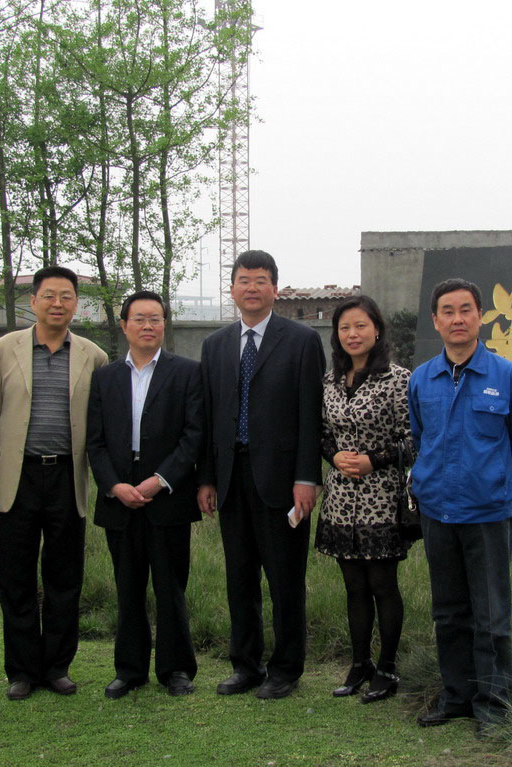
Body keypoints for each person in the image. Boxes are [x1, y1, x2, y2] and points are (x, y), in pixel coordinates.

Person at [409, 278, 512, 734]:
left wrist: (499, 488)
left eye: (466, 310)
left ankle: (493, 705)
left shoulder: (505, 375)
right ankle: (456, 696)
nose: (457, 319)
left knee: (491, 616)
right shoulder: (422, 378)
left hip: (487, 514)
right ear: (436, 321)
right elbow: (421, 438)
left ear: (480, 317)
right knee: (448, 612)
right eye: (448, 311)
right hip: (437, 513)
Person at [197, 250, 326, 700]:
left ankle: (286, 669)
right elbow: (209, 416)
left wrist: (307, 477)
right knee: (240, 579)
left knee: (285, 580)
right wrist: (207, 478)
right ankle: (245, 665)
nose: (251, 288)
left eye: (261, 280)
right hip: (231, 477)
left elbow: (311, 415)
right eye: (244, 280)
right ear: (232, 288)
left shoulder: (302, 340)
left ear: (275, 288)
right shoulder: (215, 345)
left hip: (284, 480)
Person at [0, 265, 108, 701]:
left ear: (77, 304)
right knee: (15, 576)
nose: (58, 303)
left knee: (64, 576)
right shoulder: (2, 351)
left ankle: (57, 666)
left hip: (66, 476)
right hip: (18, 475)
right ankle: (21, 670)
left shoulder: (93, 356)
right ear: (33, 301)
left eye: (67, 296)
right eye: (49, 296)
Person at [87, 290, 203, 699]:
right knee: (128, 586)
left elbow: (194, 436)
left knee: (170, 587)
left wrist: (161, 479)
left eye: (155, 318)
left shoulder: (187, 372)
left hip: (167, 492)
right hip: (119, 493)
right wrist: (113, 485)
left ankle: (176, 669)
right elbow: (95, 441)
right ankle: (129, 669)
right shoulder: (104, 377)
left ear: (164, 324)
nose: (148, 326)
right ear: (124, 325)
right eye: (139, 319)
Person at [315, 295, 414, 704]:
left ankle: (388, 668)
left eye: (360, 326)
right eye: (345, 328)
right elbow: (321, 433)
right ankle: (360, 664)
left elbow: (413, 437)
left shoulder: (398, 379)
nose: (352, 334)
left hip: (382, 496)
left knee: (382, 584)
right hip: (340, 498)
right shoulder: (330, 381)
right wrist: (333, 455)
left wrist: (375, 460)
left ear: (377, 330)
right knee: (353, 585)